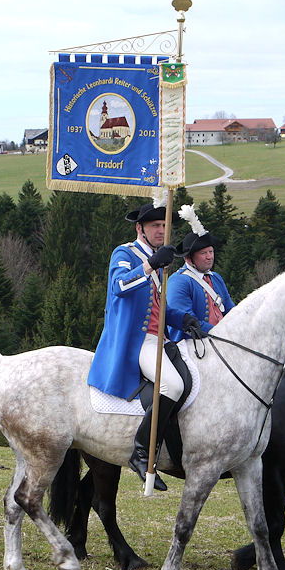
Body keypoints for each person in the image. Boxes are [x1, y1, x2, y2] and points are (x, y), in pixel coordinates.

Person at [86, 199, 180, 491]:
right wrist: (151, 264)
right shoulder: (125, 253)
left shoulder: (158, 259)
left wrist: (186, 319)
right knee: (173, 387)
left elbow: (159, 308)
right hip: (138, 341)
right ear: (140, 228)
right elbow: (119, 287)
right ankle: (141, 452)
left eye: (164, 225)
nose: (161, 230)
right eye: (155, 225)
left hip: (162, 338)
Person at [166, 204, 236, 342]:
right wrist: (223, 335)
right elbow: (189, 323)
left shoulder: (216, 278)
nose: (209, 256)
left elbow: (230, 310)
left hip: (222, 342)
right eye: (203, 253)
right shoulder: (178, 281)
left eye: (211, 252)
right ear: (188, 258)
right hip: (191, 344)